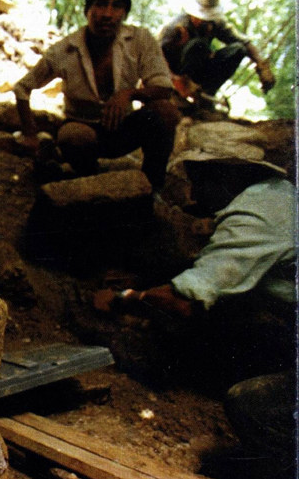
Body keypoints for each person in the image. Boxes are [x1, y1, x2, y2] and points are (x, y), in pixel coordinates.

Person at [94, 148, 297, 470]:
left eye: (198, 182)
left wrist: (123, 298)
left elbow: (183, 301)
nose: (193, 194)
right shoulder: (278, 194)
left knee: (252, 405)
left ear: (226, 176)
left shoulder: (255, 218)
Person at [13, 0, 180, 190]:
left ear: (124, 12)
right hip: (83, 131)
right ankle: (86, 177)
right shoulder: (65, 50)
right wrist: (29, 134)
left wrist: (128, 94)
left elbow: (164, 88)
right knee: (73, 136)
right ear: (88, 10)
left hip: (123, 129)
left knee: (166, 112)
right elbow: (22, 88)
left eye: (116, 6)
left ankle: (151, 187)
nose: (107, 14)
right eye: (100, 4)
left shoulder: (139, 40)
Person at [159, 0, 275, 102]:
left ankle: (207, 94)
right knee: (198, 45)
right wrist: (175, 79)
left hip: (201, 73)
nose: (204, 22)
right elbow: (157, 56)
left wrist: (261, 65)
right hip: (175, 72)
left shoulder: (216, 24)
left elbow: (245, 43)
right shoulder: (175, 27)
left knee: (239, 49)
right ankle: (184, 91)